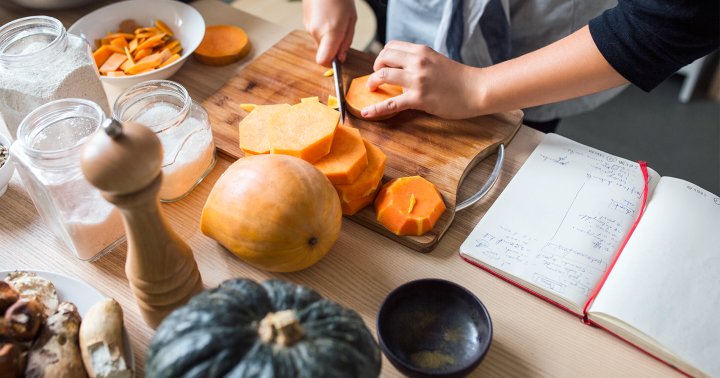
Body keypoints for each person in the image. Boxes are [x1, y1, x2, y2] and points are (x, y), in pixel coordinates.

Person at [302, 0, 719, 131]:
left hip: (543, 42)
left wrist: (476, 88)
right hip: (424, 14)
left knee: (513, 141)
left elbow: (682, 13)